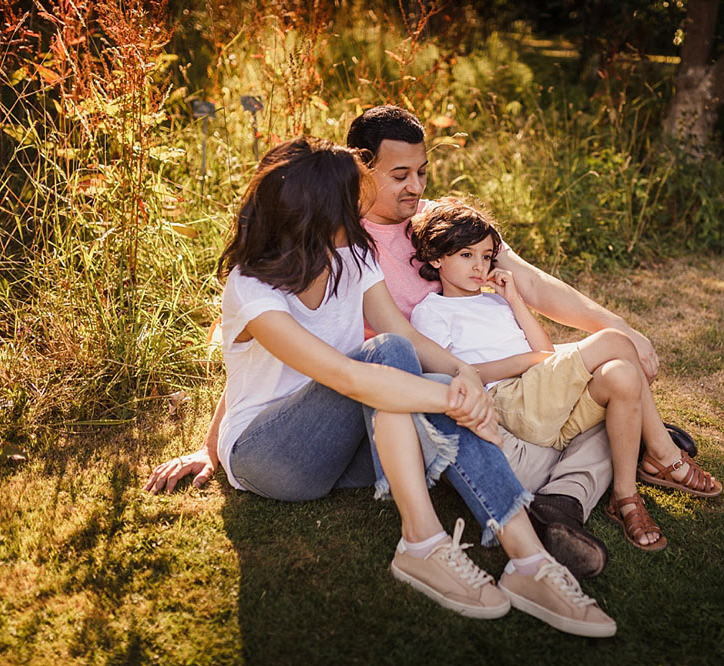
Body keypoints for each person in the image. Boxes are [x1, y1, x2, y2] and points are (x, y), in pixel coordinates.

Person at [146, 136, 616, 637]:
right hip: (270, 457)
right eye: (354, 197)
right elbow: (346, 375)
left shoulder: (354, 257)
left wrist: (465, 377)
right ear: (321, 211)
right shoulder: (252, 286)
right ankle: (422, 543)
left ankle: (530, 564)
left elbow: (408, 335)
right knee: (390, 359)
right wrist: (452, 397)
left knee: (405, 356)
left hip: (345, 443)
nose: (366, 205)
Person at [409, 199, 722, 551]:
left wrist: (514, 300)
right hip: (509, 400)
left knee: (621, 374)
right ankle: (660, 452)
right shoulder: (432, 312)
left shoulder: (495, 301)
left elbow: (542, 346)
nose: (479, 266)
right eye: (466, 255)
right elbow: (458, 374)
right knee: (615, 340)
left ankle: (624, 497)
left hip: (540, 396)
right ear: (436, 259)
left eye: (485, 256)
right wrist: (524, 361)